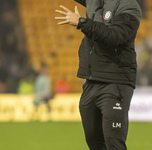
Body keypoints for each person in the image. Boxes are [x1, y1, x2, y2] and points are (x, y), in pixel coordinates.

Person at [55, 0, 142, 149]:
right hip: (91, 81)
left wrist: (82, 22)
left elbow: (114, 36)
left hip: (115, 81)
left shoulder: (128, 6)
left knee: (113, 143)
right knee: (94, 143)